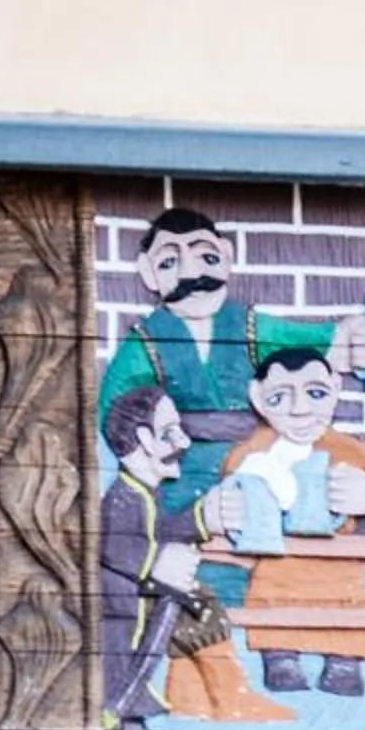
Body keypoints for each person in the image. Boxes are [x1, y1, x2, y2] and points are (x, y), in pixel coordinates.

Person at [209, 346, 365, 701]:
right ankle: (280, 658)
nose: (300, 409)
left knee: (348, 603)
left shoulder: (346, 448)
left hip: (336, 559)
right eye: (279, 398)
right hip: (278, 557)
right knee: (271, 599)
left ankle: (344, 662)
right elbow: (233, 475)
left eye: (315, 394)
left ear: (335, 388)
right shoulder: (256, 452)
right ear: (258, 398)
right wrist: (232, 506)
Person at [96, 384, 294, 729]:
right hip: (123, 613)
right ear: (144, 439)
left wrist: (201, 518)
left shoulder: (145, 493)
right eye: (171, 433)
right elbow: (118, 548)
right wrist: (157, 563)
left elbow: (156, 532)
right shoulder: (123, 498)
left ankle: (196, 695)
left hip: (142, 602)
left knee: (201, 606)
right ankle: (223, 696)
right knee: (194, 611)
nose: (184, 443)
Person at [96, 208, 259, 515]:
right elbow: (111, 413)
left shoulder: (250, 325)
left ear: (226, 256)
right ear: (149, 272)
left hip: (251, 467)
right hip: (179, 477)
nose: (190, 274)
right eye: (169, 263)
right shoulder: (147, 339)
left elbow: (306, 349)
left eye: (207, 257)